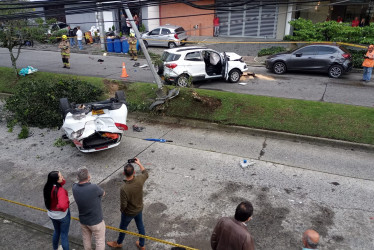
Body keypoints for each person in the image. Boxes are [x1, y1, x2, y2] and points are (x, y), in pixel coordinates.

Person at [107, 158, 149, 250]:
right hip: (139, 209)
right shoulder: (139, 179)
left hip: (128, 213)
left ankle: (119, 243)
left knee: (122, 227)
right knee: (140, 227)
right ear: (134, 173)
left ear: (123, 174)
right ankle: (142, 245)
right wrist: (139, 163)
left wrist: (122, 211)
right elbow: (145, 173)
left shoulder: (124, 188)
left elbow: (123, 204)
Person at [72, 167, 106, 250]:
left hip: (83, 220)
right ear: (88, 177)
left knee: (86, 239)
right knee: (100, 241)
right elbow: (103, 193)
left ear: (77, 177)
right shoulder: (93, 187)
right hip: (96, 221)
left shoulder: (74, 187)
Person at [43, 171, 71, 250]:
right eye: (61, 176)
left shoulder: (48, 187)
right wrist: (59, 208)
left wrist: (62, 180)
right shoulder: (60, 191)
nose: (63, 177)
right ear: (57, 180)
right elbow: (63, 205)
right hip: (62, 215)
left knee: (57, 231)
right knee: (64, 235)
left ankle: (55, 248)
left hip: (52, 214)